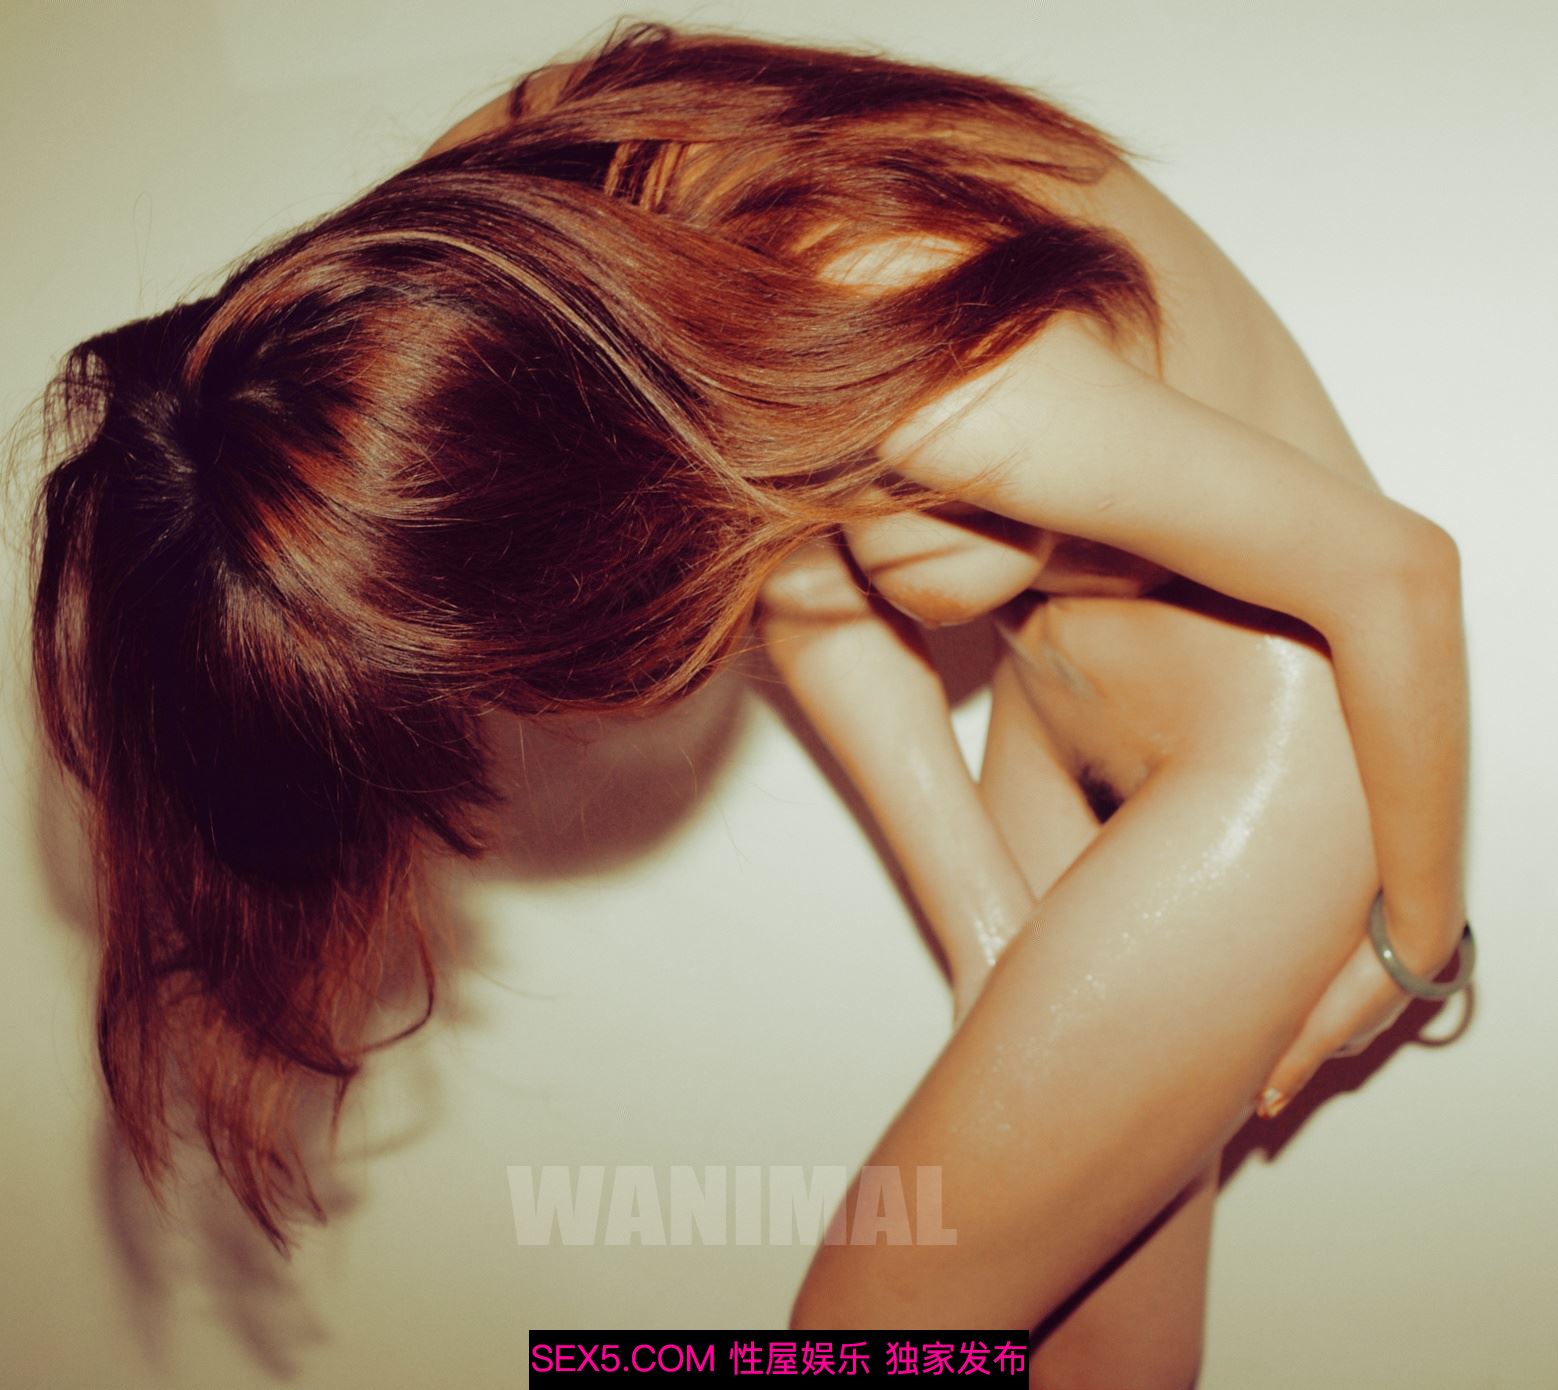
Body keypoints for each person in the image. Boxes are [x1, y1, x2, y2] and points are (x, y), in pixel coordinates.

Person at [14, 18, 1472, 1386]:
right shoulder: (526, 243)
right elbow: (802, 569)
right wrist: (982, 929)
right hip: (1059, 704)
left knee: (864, 1334)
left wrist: (1411, 944)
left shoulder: (911, 338)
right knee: (1108, 1363)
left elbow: (1398, 574)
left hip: (1284, 747)